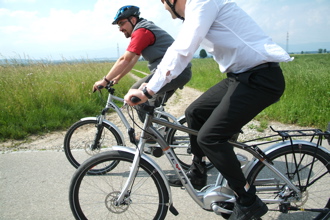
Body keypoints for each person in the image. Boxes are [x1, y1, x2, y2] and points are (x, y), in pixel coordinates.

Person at [124, 0, 293, 219]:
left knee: (210, 138)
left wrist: (149, 90)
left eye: (163, 2)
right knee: (196, 112)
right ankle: (198, 172)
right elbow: (178, 49)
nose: (164, 8)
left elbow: (183, 50)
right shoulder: (198, 10)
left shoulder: (203, 3)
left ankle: (248, 200)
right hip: (240, 76)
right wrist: (150, 86)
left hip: (260, 79)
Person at [93, 5, 192, 123]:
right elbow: (133, 59)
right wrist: (117, 77)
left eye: (121, 23)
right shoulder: (143, 29)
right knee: (151, 106)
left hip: (174, 71)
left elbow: (125, 59)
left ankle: (151, 137)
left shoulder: (142, 31)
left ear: (133, 20)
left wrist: (105, 80)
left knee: (136, 94)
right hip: (176, 71)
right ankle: (161, 135)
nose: (120, 28)